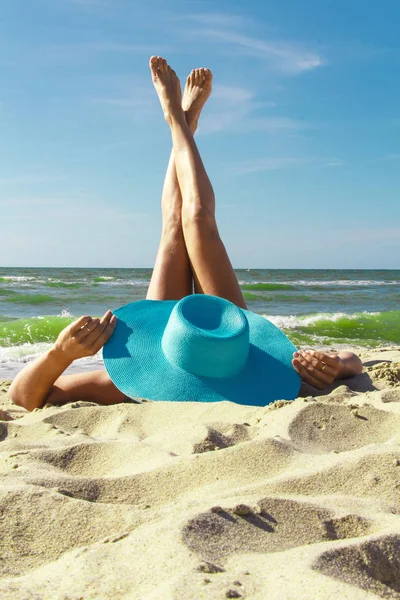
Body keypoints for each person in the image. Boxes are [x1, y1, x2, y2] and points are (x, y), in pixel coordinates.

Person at [9, 57, 362, 412]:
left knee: (175, 228)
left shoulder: (132, 389)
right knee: (197, 218)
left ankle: (179, 120)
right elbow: (353, 361)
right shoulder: (271, 383)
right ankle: (180, 121)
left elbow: (24, 398)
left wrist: (60, 354)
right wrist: (335, 367)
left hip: (191, 351)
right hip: (226, 348)